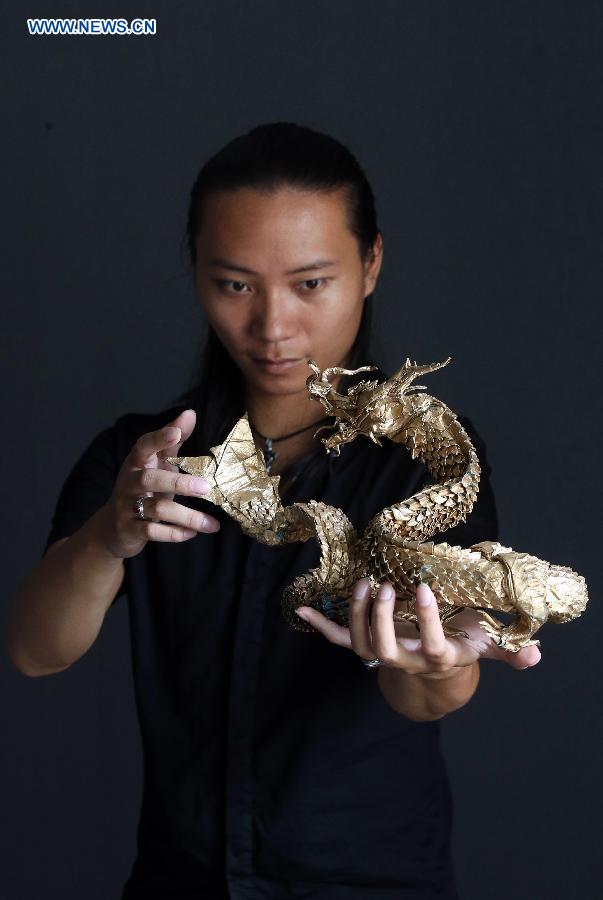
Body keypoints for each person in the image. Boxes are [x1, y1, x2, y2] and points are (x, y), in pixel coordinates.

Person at [7, 122, 540, 900]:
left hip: (371, 881)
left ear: (370, 265)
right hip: (178, 880)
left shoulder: (429, 461)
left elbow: (432, 689)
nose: (273, 327)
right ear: (196, 271)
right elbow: (33, 652)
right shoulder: (143, 457)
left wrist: (440, 666)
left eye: (310, 283)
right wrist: (106, 538)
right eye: (235, 285)